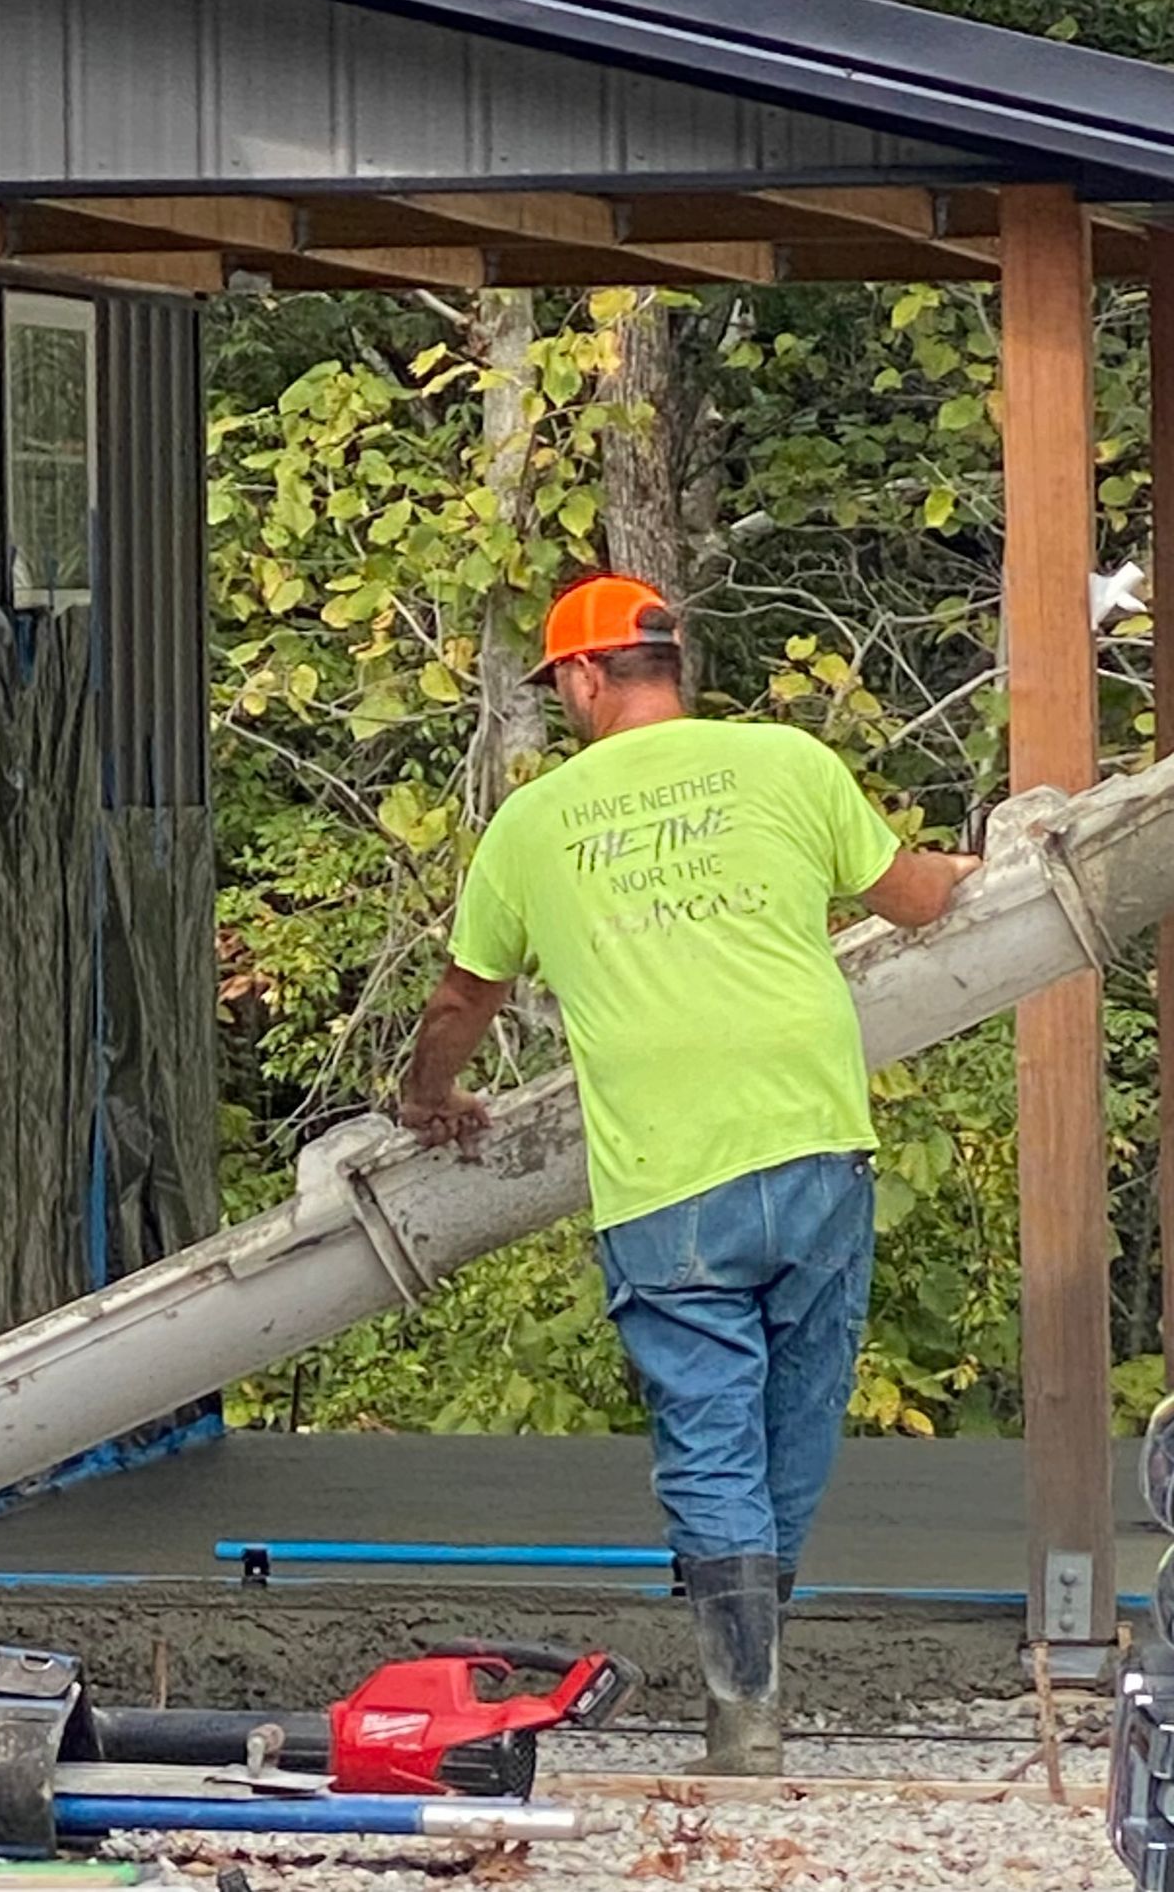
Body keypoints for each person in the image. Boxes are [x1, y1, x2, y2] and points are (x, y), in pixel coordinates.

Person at [397, 575, 978, 1775]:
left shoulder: (537, 823)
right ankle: (758, 1669)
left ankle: (745, 1715)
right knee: (794, 1426)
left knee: (714, 1440)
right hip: (815, 1147)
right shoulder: (787, 764)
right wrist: (977, 865)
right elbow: (918, 898)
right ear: (669, 664)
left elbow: (462, 997)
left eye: (559, 679)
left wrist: (427, 1098)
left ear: (583, 676)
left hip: (667, 1182)